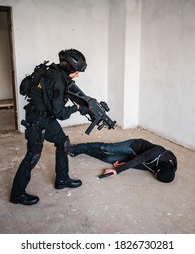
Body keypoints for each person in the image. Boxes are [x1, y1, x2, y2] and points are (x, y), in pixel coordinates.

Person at [10, 49, 89, 205]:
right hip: (37, 120)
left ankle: (62, 179)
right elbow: (60, 113)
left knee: (62, 142)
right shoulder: (57, 81)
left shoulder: (54, 71)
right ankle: (17, 194)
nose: (77, 74)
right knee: (33, 155)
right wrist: (78, 108)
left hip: (44, 116)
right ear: (69, 68)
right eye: (76, 71)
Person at [66, 138, 177, 182]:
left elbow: (145, 166)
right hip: (133, 146)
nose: (154, 174)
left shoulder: (164, 168)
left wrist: (125, 164)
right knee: (108, 148)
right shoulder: (159, 152)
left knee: (108, 158)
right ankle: (76, 147)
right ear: (159, 170)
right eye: (156, 174)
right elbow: (141, 159)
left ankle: (83, 151)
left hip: (133, 157)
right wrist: (118, 171)